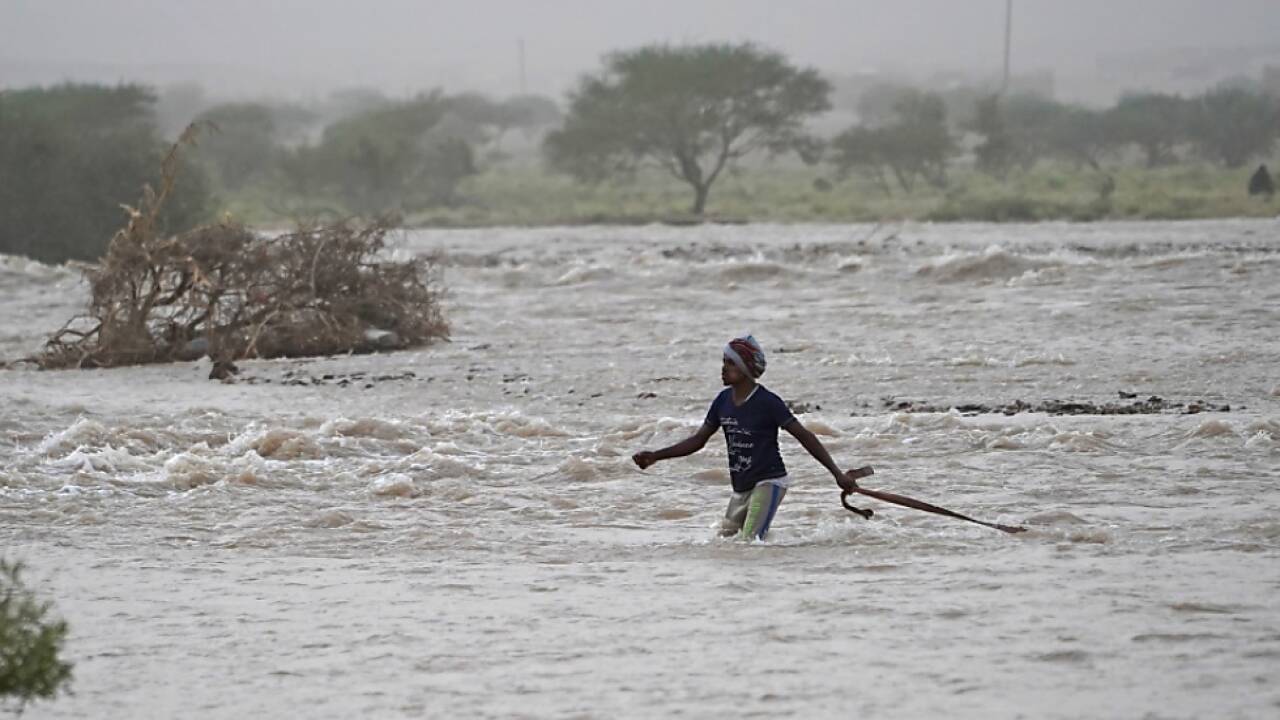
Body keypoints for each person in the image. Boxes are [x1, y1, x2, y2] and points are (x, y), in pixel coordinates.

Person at [632, 335, 870, 541]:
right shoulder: (722, 401)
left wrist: (837, 474)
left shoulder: (768, 402)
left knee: (750, 543)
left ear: (745, 368)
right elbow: (698, 440)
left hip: (769, 482)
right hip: (741, 488)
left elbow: (805, 436)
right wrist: (656, 456)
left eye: (730, 363)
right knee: (725, 543)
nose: (723, 369)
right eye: (724, 362)